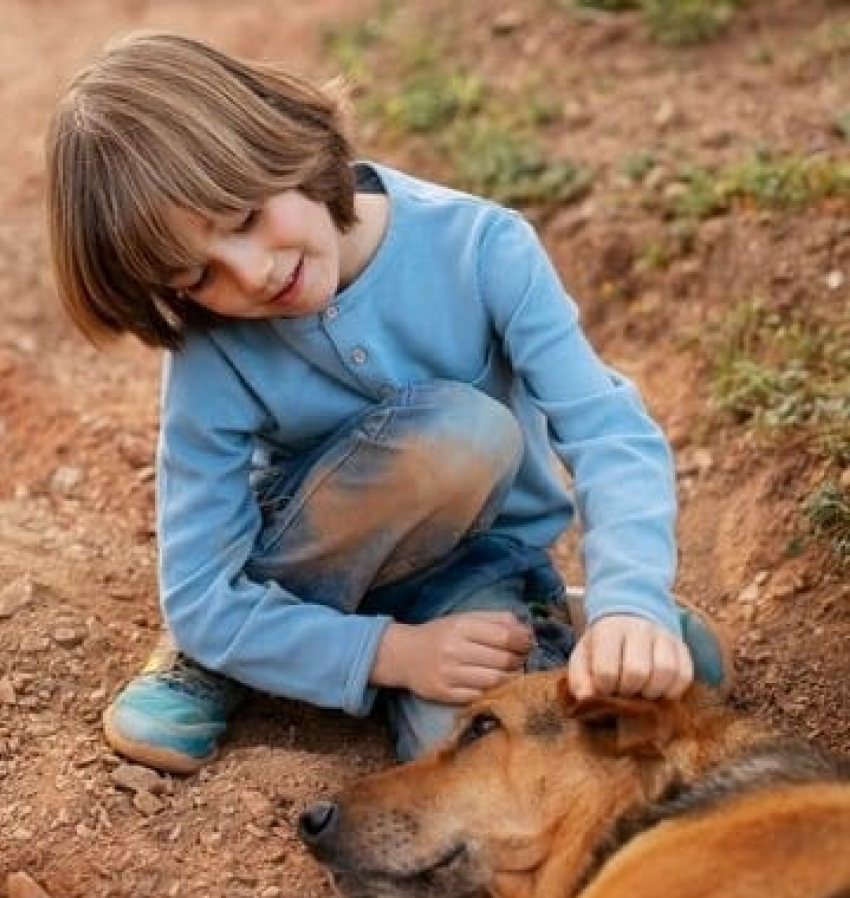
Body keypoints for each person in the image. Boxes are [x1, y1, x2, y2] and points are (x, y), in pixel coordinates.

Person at [45, 31, 728, 774]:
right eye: (196, 277)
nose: (249, 275)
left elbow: (606, 430)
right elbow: (201, 590)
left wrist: (631, 598)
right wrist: (394, 653)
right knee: (457, 438)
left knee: (461, 756)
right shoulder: (214, 348)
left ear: (280, 138)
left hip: (473, 567)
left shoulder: (480, 246)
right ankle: (232, 658)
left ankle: (560, 619)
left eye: (241, 217)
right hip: (302, 574)